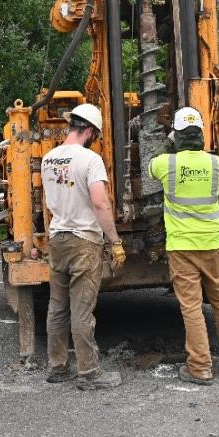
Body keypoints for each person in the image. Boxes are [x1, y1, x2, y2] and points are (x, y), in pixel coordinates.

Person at [149, 107, 219, 385]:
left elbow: (150, 167)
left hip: (181, 246)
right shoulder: (217, 164)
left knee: (191, 307)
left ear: (177, 136)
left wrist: (168, 142)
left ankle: (200, 367)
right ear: (201, 134)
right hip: (212, 242)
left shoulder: (167, 163)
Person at [40, 103, 126, 390]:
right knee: (82, 309)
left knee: (57, 307)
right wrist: (114, 240)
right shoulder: (91, 159)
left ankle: (57, 365)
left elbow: (49, 201)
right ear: (89, 131)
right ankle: (88, 373)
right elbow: (100, 202)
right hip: (84, 241)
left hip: (57, 238)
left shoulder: (48, 159)